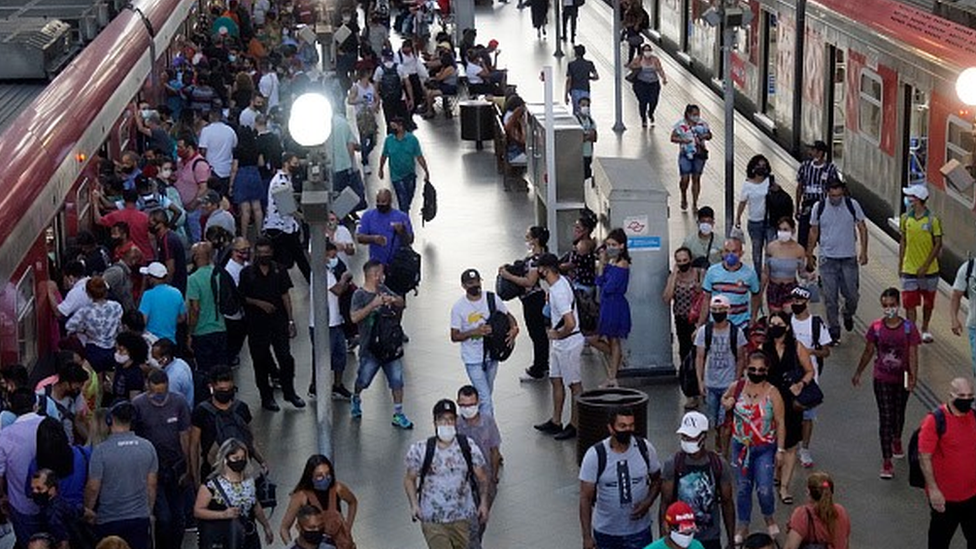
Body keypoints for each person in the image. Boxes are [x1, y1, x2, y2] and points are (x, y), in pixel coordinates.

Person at [852, 287, 920, 479]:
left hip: (904, 376)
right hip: (882, 377)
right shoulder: (876, 328)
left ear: (898, 305)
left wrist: (914, 376)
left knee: (899, 413)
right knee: (886, 417)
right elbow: (868, 351)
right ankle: (887, 460)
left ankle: (897, 438)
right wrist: (858, 372)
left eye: (892, 305)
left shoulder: (908, 328)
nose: (889, 308)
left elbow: (913, 353)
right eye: (885, 305)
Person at [404, 399, 490, 549]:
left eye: (450, 419)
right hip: (433, 518)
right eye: (442, 420)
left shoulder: (467, 446)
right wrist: (414, 505)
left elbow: (482, 478)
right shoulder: (420, 449)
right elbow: (409, 479)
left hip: (462, 516)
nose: (446, 424)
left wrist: (483, 503)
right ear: (435, 422)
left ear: (455, 421)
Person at [722, 351, 786, 543]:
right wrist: (727, 403)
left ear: (767, 371)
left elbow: (780, 422)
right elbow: (724, 399)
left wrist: (781, 450)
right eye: (752, 369)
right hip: (741, 446)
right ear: (746, 369)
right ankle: (743, 523)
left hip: (764, 447)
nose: (756, 372)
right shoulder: (737, 387)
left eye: (760, 370)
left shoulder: (773, 393)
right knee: (743, 488)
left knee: (764, 488)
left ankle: (769, 516)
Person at [579, 406, 662, 549]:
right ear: (611, 428)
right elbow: (585, 498)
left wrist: (648, 502)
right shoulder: (595, 455)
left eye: (631, 425)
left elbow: (657, 479)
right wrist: (587, 537)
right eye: (622, 426)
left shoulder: (645, 448)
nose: (627, 430)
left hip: (639, 532)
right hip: (606, 533)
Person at [239, 237, 306, 411]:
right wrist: (259, 303)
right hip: (256, 324)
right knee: (260, 362)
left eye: (266, 253)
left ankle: (289, 392)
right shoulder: (247, 273)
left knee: (285, 358)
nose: (263, 256)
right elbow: (242, 297)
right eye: (260, 253)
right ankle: (266, 397)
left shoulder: (280, 270)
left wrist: (291, 320)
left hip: (278, 321)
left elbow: (285, 296)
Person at [84, 401, 158, 549]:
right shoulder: (147, 447)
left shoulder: (101, 451)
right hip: (139, 517)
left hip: (109, 519)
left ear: (110, 420)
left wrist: (88, 510)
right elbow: (152, 484)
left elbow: (93, 487)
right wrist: (148, 511)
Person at [132, 370, 191, 549]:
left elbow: (185, 435)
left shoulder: (179, 402)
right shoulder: (138, 405)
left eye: (163, 393)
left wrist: (188, 467)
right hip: (152, 470)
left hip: (175, 468)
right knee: (164, 518)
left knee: (179, 518)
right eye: (155, 393)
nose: (159, 398)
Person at [349, 260, 413, 428]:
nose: (383, 276)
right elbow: (354, 317)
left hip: (390, 345)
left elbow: (402, 303)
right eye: (381, 273)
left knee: (397, 380)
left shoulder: (383, 289)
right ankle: (356, 396)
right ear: (374, 274)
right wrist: (373, 305)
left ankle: (398, 413)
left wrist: (392, 299)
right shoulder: (359, 295)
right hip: (370, 348)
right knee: (364, 379)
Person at [659, 412, 735, 549]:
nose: (687, 441)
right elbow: (665, 502)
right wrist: (664, 539)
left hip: (710, 537)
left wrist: (731, 540)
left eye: (691, 438)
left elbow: (727, 503)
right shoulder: (673, 463)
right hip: (679, 537)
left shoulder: (718, 464)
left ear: (703, 437)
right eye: (684, 437)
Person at [806, 178, 868, 342]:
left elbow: (862, 227)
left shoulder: (852, 205)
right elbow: (813, 231)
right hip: (827, 260)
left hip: (849, 258)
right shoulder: (818, 208)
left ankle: (848, 313)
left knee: (852, 295)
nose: (836, 199)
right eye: (833, 196)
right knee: (830, 297)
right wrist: (809, 254)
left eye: (839, 195)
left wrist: (864, 251)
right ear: (827, 193)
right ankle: (834, 328)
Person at [761, 311, 815, 504]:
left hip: (791, 401)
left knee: (790, 444)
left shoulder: (796, 347)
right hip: (769, 401)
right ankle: (776, 473)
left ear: (787, 327)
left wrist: (801, 384)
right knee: (772, 440)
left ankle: (784, 487)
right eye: (772, 323)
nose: (775, 327)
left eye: (779, 323)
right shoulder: (764, 348)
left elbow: (810, 371)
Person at [450, 269, 519, 416]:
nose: (475, 286)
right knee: (485, 398)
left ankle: (474, 421)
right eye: (470, 283)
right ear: (463, 286)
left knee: (486, 394)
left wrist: (514, 329)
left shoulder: (492, 299)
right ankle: (487, 433)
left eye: (476, 282)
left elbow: (508, 316)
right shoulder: (458, 308)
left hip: (492, 354)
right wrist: (474, 332)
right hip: (473, 358)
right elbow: (454, 336)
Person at [918, 377, 976, 548]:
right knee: (939, 542)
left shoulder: (974, 417)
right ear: (950, 395)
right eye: (962, 395)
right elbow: (924, 456)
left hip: (972, 496)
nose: (966, 399)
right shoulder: (935, 420)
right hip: (945, 499)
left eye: (970, 395)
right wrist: (934, 490)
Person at [533, 253, 586, 440]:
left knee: (574, 384)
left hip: (568, 342)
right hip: (559, 344)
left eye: (539, 268)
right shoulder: (561, 283)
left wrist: (558, 334)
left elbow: (570, 323)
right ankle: (556, 420)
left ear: (545, 269)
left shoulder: (559, 292)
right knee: (556, 379)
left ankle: (576, 424)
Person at [189, 367, 268, 488]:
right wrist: (195, 477)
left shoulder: (242, 408)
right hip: (213, 473)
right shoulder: (201, 412)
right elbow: (194, 446)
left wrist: (262, 461)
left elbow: (250, 439)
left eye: (228, 389)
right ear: (212, 387)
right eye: (221, 389)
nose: (225, 392)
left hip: (241, 471)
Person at [194, 438, 274, 549]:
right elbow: (198, 511)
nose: (240, 461)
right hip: (224, 539)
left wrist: (266, 526)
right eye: (235, 458)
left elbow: (255, 505)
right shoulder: (211, 485)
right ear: (225, 459)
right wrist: (223, 514)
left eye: (242, 458)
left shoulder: (249, 481)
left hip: (249, 536)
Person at [695, 295, 748, 454]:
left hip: (728, 384)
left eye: (721, 310)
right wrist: (700, 380)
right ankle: (719, 441)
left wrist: (736, 382)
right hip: (711, 384)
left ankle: (724, 450)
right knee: (714, 420)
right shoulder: (705, 332)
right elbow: (700, 357)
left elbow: (740, 358)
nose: (718, 313)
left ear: (727, 311)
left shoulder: (736, 333)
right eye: (715, 310)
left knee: (725, 420)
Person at [787, 287, 832, 469]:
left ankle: (804, 448)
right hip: (789, 375)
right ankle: (791, 444)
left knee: (807, 415)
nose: (796, 304)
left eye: (799, 301)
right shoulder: (787, 321)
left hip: (809, 375)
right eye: (794, 301)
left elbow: (826, 351)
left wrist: (810, 351)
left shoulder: (815, 323)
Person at [498, 226, 550, 381]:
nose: (526, 240)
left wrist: (508, 275)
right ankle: (543, 363)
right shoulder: (537, 256)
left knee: (537, 334)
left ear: (535, 240)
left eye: (528, 237)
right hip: (533, 299)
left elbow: (529, 282)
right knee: (539, 333)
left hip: (533, 300)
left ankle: (538, 367)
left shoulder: (535, 260)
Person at [455, 385, 501, 548]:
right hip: (463, 485)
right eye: (463, 405)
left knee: (480, 524)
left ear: (478, 403)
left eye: (471, 404)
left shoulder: (488, 422)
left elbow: (495, 452)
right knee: (471, 528)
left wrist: (494, 478)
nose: (468, 409)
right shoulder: (455, 425)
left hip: (485, 482)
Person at [307, 240, 353, 399]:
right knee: (322, 358)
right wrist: (344, 278)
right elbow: (338, 290)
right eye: (331, 256)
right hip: (322, 324)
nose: (334, 259)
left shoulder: (330, 272)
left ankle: (337, 385)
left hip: (335, 320)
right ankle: (315, 387)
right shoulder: (321, 272)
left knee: (340, 355)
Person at [0, 388, 46, 545]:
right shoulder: (49, 425)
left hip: (21, 506)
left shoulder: (5, 436)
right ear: (35, 404)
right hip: (51, 501)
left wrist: (3, 497)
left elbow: (0, 474)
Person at [279, 454, 357, 545]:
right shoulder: (301, 496)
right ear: (310, 477)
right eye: (319, 475)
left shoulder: (338, 489)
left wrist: (347, 528)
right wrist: (292, 546)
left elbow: (353, 502)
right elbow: (284, 528)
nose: (325, 479)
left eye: (328, 474)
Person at [589, 229, 632, 386]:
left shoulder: (622, 265)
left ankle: (612, 375)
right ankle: (617, 359)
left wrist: (602, 266)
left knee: (613, 340)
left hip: (615, 305)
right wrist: (602, 264)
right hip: (607, 304)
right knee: (607, 340)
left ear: (621, 246)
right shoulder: (612, 262)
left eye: (613, 244)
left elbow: (607, 287)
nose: (610, 248)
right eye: (608, 244)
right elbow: (599, 281)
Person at [899, 184, 941, 343]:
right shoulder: (905, 219)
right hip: (909, 268)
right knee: (910, 303)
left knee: (928, 303)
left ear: (919, 200)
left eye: (911, 197)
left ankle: (925, 328)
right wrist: (900, 263)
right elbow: (903, 241)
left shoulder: (933, 221)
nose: (909, 200)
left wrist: (925, 265)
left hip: (930, 271)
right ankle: (912, 330)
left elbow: (937, 244)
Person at [264, 152, 312, 283]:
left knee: (296, 258)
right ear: (286, 163)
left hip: (287, 226)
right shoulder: (280, 181)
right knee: (290, 259)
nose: (296, 166)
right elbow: (288, 208)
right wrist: (303, 217)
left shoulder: (286, 179)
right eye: (294, 163)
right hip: (279, 228)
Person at [65, 277, 123, 376]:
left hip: (94, 350)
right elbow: (119, 326)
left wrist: (83, 330)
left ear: (88, 294)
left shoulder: (85, 311)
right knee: (111, 379)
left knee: (96, 381)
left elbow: (69, 326)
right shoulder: (117, 307)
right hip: (112, 348)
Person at [698, 238, 761, 329]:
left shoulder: (749, 274)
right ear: (722, 253)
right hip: (716, 324)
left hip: (740, 325)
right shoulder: (712, 271)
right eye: (727, 251)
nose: (730, 255)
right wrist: (701, 324)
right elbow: (706, 299)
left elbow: (756, 295)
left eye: (734, 251)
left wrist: (753, 317)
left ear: (741, 253)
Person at [783, 471, 850, 549]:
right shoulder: (841, 511)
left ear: (808, 492)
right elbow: (846, 543)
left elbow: (790, 547)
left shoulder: (802, 514)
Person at [663, 247, 704, 368]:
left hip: (698, 319)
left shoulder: (700, 274)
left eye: (685, 260)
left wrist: (699, 289)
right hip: (681, 318)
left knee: (699, 349)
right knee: (684, 349)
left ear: (690, 260)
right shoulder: (674, 277)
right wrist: (674, 276)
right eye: (679, 261)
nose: (682, 264)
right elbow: (666, 298)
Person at [378, 116, 430, 213]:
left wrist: (426, 171)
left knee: (408, 198)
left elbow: (419, 156)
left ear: (401, 127)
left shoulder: (412, 140)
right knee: (403, 201)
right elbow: (384, 155)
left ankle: (404, 214)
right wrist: (380, 169)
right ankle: (404, 220)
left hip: (410, 175)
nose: (392, 129)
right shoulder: (389, 140)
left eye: (394, 126)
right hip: (396, 176)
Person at [794, 140, 838, 248]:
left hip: (824, 206)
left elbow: (835, 188)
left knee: (824, 237)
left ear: (820, 153)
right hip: (808, 204)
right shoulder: (805, 166)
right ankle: (805, 258)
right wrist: (798, 206)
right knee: (803, 236)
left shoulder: (830, 168)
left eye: (813, 150)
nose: (810, 152)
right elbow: (799, 187)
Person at [356, 189, 415, 266]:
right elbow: (360, 238)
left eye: (383, 201)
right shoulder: (367, 216)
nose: (380, 204)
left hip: (398, 263)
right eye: (378, 201)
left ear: (390, 201)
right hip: (377, 263)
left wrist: (402, 231)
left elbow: (410, 240)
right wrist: (374, 239)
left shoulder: (401, 217)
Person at [670, 104, 712, 213]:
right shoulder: (680, 125)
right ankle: (683, 195)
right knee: (685, 179)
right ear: (688, 114)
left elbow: (709, 135)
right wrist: (683, 141)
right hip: (685, 154)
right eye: (694, 114)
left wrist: (704, 136)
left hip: (699, 154)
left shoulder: (703, 124)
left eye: (698, 114)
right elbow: (673, 137)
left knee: (696, 178)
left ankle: (694, 203)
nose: (697, 117)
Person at [735, 155, 772, 275]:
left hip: (770, 221)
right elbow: (742, 202)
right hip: (754, 222)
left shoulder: (770, 181)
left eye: (763, 166)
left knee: (770, 250)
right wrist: (738, 218)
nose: (761, 168)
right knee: (757, 251)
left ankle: (768, 274)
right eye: (758, 166)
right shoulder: (747, 184)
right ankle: (757, 276)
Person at [174, 135, 212, 244]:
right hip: (183, 208)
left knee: (196, 239)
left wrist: (193, 205)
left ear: (189, 147)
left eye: (180, 147)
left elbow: (203, 188)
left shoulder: (199, 164)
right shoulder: (181, 162)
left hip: (195, 210)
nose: (178, 150)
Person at [762, 217, 806, 314]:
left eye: (785, 230)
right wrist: (760, 291)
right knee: (775, 318)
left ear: (793, 231)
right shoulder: (771, 247)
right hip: (774, 288)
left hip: (790, 288)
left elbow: (801, 272)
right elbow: (765, 272)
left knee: (789, 317)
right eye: (780, 229)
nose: (782, 232)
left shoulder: (799, 250)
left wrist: (809, 276)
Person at [138, 261, 186, 343]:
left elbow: (143, 320)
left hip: (152, 340)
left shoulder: (148, 295)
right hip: (170, 341)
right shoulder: (177, 293)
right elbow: (182, 318)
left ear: (152, 278)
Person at [628, 43, 667, 129]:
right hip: (641, 83)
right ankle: (643, 118)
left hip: (654, 84)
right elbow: (630, 66)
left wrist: (663, 78)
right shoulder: (639, 59)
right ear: (642, 51)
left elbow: (660, 69)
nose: (648, 52)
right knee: (643, 101)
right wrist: (637, 66)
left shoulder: (655, 60)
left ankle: (650, 113)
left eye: (649, 50)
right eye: (646, 50)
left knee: (653, 100)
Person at [349, 69, 380, 175]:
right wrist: (360, 100)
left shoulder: (371, 86)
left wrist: (376, 105)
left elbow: (377, 98)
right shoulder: (356, 87)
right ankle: (365, 161)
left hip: (370, 115)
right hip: (361, 116)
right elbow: (350, 100)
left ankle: (364, 151)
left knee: (373, 139)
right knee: (363, 137)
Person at [149, 209, 187, 293]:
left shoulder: (167, 240)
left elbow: (170, 268)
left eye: (151, 224)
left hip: (175, 286)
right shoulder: (166, 237)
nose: (149, 226)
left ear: (160, 224)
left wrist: (165, 288)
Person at [286, 504, 355, 549]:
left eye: (320, 526)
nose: (317, 530)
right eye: (312, 527)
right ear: (299, 527)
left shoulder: (332, 542)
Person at [149, 338, 194, 405]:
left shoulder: (173, 378)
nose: (152, 360)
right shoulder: (180, 362)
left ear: (165, 359)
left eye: (155, 358)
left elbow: (170, 405)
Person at [110, 332, 148, 404]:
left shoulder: (135, 375)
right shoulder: (119, 366)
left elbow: (134, 402)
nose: (117, 353)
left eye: (121, 350)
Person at [565, 45, 598, 114]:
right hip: (585, 90)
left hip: (575, 90)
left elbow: (569, 80)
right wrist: (588, 77)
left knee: (576, 111)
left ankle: (578, 123)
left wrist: (566, 94)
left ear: (575, 53)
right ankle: (586, 123)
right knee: (585, 111)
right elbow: (596, 77)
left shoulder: (571, 64)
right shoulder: (589, 64)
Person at [577, 97, 597, 181]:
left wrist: (586, 135)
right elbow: (578, 138)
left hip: (588, 153)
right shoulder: (575, 120)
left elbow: (595, 137)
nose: (585, 107)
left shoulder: (591, 121)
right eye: (583, 105)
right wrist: (588, 135)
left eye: (587, 105)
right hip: (579, 154)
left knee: (588, 174)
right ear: (579, 106)